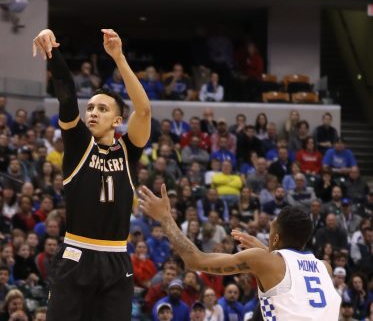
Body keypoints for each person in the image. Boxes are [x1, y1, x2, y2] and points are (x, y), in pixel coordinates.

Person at [32, 28, 151, 321]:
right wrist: (53, 52)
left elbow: (144, 110)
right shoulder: (78, 145)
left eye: (102, 108)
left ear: (118, 120)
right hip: (76, 254)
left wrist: (119, 58)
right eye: (90, 108)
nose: (93, 113)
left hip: (116, 259)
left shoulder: (128, 151)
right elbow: (66, 91)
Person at [139, 185, 341, 321]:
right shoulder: (325, 267)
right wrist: (266, 250)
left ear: (276, 239)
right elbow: (294, 274)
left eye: (271, 232)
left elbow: (195, 260)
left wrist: (165, 217)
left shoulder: (263, 260)